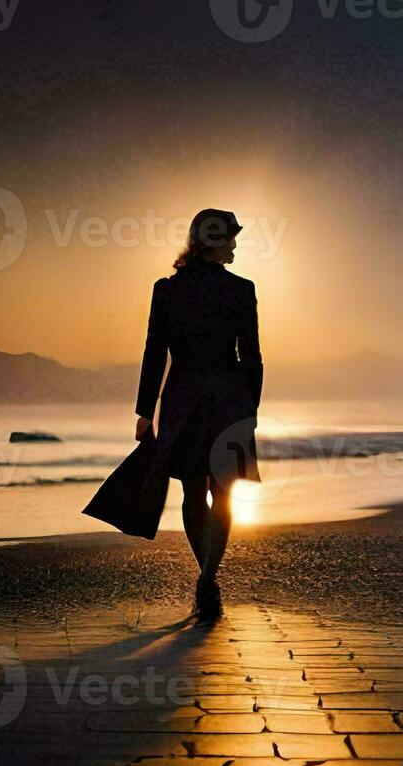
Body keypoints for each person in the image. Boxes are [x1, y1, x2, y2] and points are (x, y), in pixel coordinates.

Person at [133, 208, 263, 619]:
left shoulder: (167, 290)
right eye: (232, 238)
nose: (236, 245)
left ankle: (206, 579)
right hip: (229, 398)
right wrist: (252, 408)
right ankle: (207, 579)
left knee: (192, 489)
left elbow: (155, 354)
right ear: (214, 241)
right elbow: (252, 356)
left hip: (183, 397)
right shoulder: (242, 290)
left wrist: (145, 411)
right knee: (223, 491)